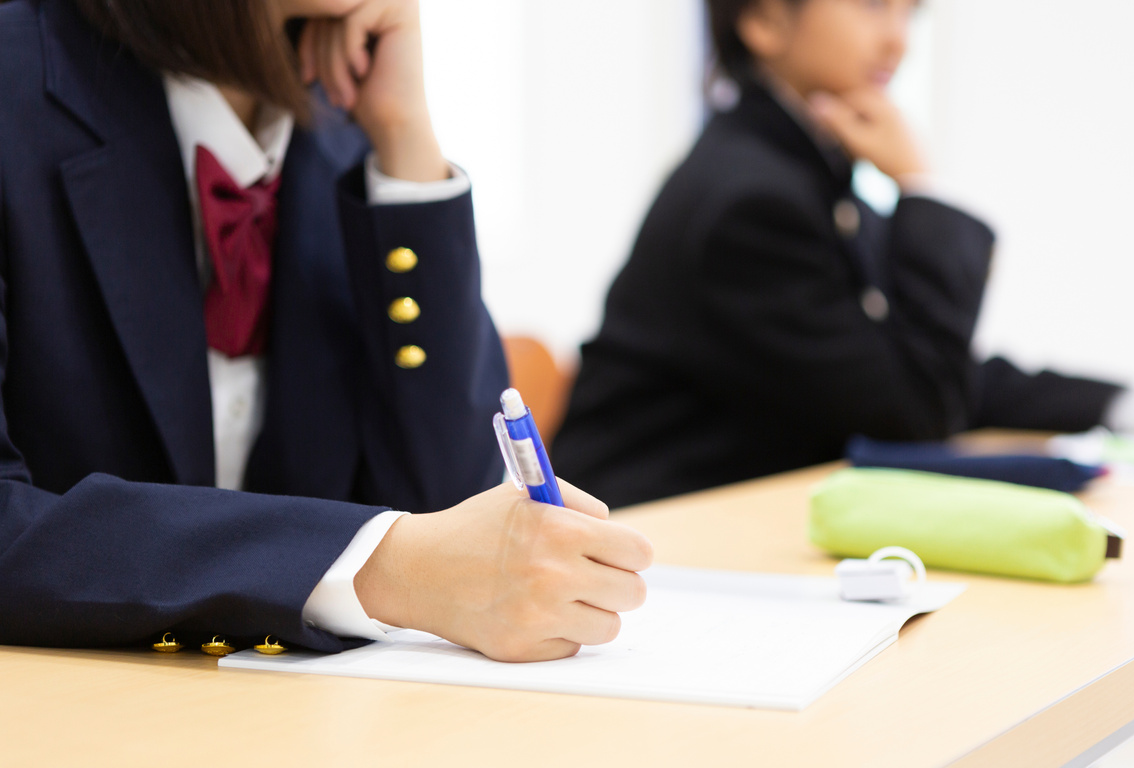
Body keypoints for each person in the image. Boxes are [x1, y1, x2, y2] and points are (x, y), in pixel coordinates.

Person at [0, 0, 652, 663]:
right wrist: (384, 567)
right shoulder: (18, 79)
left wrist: (404, 142)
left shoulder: (343, 123)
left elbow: (456, 507)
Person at [552, 0, 1134, 509]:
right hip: (657, 542)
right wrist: (918, 186)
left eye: (912, 11)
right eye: (872, 4)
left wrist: (1122, 405)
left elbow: (923, 366)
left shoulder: (805, 175)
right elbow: (913, 410)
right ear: (764, 18)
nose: (899, 39)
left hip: (733, 527)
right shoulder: (751, 201)